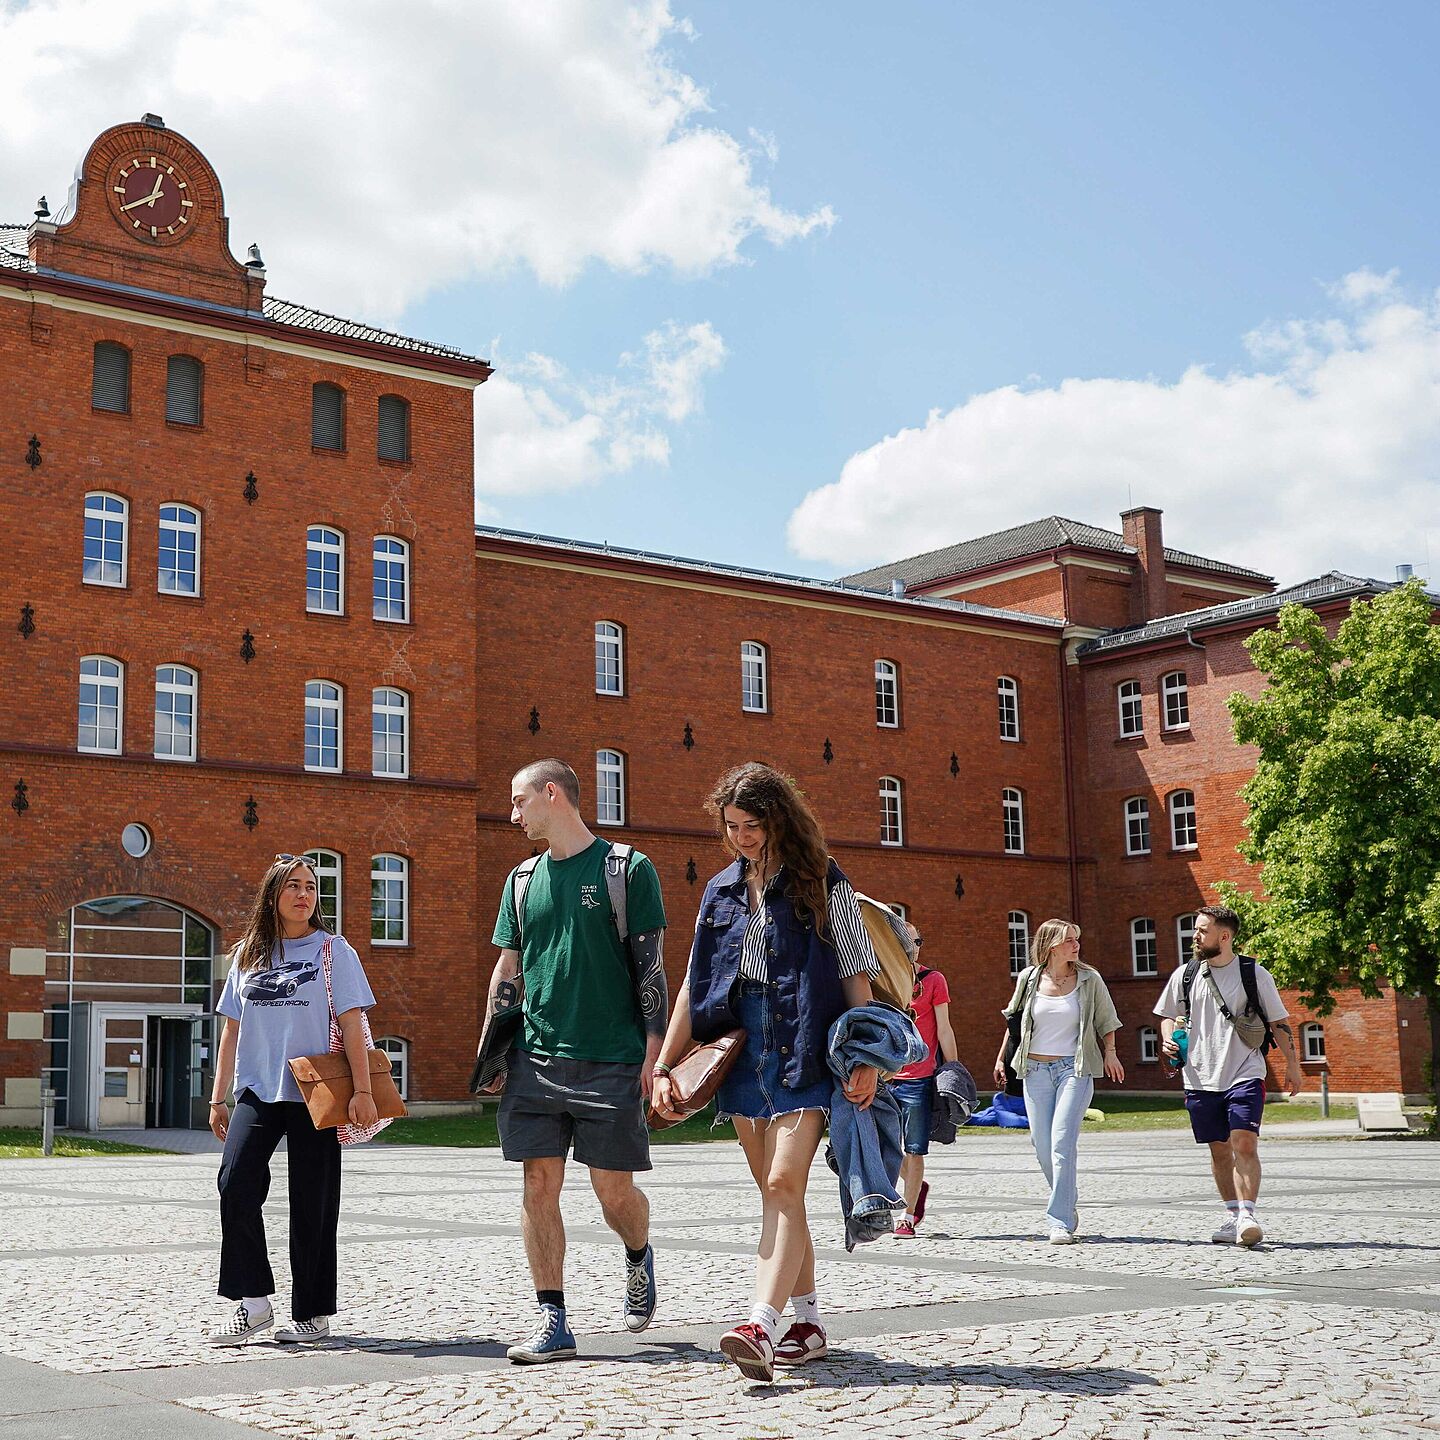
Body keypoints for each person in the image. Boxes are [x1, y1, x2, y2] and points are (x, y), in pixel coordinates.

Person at [653, 761, 880, 1382]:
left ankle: (760, 1323)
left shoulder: (821, 881)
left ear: (779, 820)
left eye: (751, 825)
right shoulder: (720, 891)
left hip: (802, 1044)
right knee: (778, 1193)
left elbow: (856, 972)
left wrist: (864, 1057)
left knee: (783, 1183)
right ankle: (807, 1323)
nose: (741, 837)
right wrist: (665, 1064)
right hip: (740, 1051)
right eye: (731, 826)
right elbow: (694, 984)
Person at [483, 759, 669, 1364]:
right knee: (538, 1184)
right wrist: (490, 1049)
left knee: (613, 1192)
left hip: (611, 1058)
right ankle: (553, 1317)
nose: (513, 814)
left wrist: (653, 1053)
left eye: (519, 801)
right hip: (534, 1057)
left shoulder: (626, 869)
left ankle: (637, 1253)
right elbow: (508, 968)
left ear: (551, 794)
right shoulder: (520, 881)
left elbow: (651, 968)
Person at [206, 854, 379, 1345]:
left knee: (313, 1202)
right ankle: (254, 1303)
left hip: (317, 1091)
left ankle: (313, 1312)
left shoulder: (334, 951)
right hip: (258, 1090)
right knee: (235, 1183)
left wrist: (363, 1090)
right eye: (293, 886)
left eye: (311, 886)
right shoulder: (248, 954)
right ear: (273, 896)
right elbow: (231, 1031)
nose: (304, 894)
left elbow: (351, 1023)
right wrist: (219, 1099)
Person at [1154, 903, 1303, 1247]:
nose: (1195, 936)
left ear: (1224, 937)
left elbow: (1278, 1022)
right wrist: (1167, 1038)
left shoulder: (1254, 974)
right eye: (1195, 929)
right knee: (1219, 1150)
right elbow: (1168, 1015)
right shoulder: (1186, 974)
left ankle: (1248, 1214)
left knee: (1244, 1142)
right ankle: (1234, 1216)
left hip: (1245, 1071)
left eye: (1202, 930)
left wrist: (1292, 1065)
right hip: (1200, 1076)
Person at [993, 919, 1123, 1243]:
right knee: (1041, 1144)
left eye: (1076, 939)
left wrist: (1111, 1053)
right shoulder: (1029, 978)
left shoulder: (1090, 980)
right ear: (1051, 946)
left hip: (1074, 1069)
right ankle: (1066, 1200)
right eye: (1069, 940)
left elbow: (1106, 1020)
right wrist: (1001, 1058)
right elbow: (1015, 1021)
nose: (1076, 945)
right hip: (1034, 1070)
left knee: (1061, 1143)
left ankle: (1059, 1221)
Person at [890, 923, 957, 1237]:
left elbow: (944, 1028)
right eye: (908, 941)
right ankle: (916, 1186)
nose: (914, 947)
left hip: (918, 1078)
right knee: (884, 1146)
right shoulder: (880, 978)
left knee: (914, 1149)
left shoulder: (933, 980)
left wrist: (954, 1071)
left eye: (918, 941)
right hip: (884, 1076)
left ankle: (907, 1214)